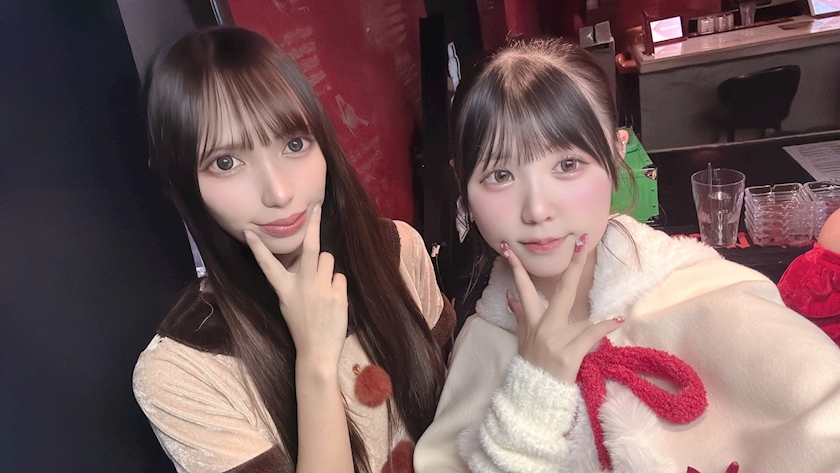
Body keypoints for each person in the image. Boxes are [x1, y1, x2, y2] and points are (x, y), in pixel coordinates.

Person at [414, 38, 840, 472]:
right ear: (461, 181)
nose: (537, 210)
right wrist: (533, 395)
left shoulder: (707, 294)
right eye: (500, 174)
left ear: (618, 154)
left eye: (567, 164)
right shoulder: (480, 347)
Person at [132, 26, 454, 473]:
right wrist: (316, 362)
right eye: (226, 162)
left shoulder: (398, 252)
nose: (279, 192)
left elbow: (458, 420)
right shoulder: (182, 371)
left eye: (294, 143)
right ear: (180, 182)